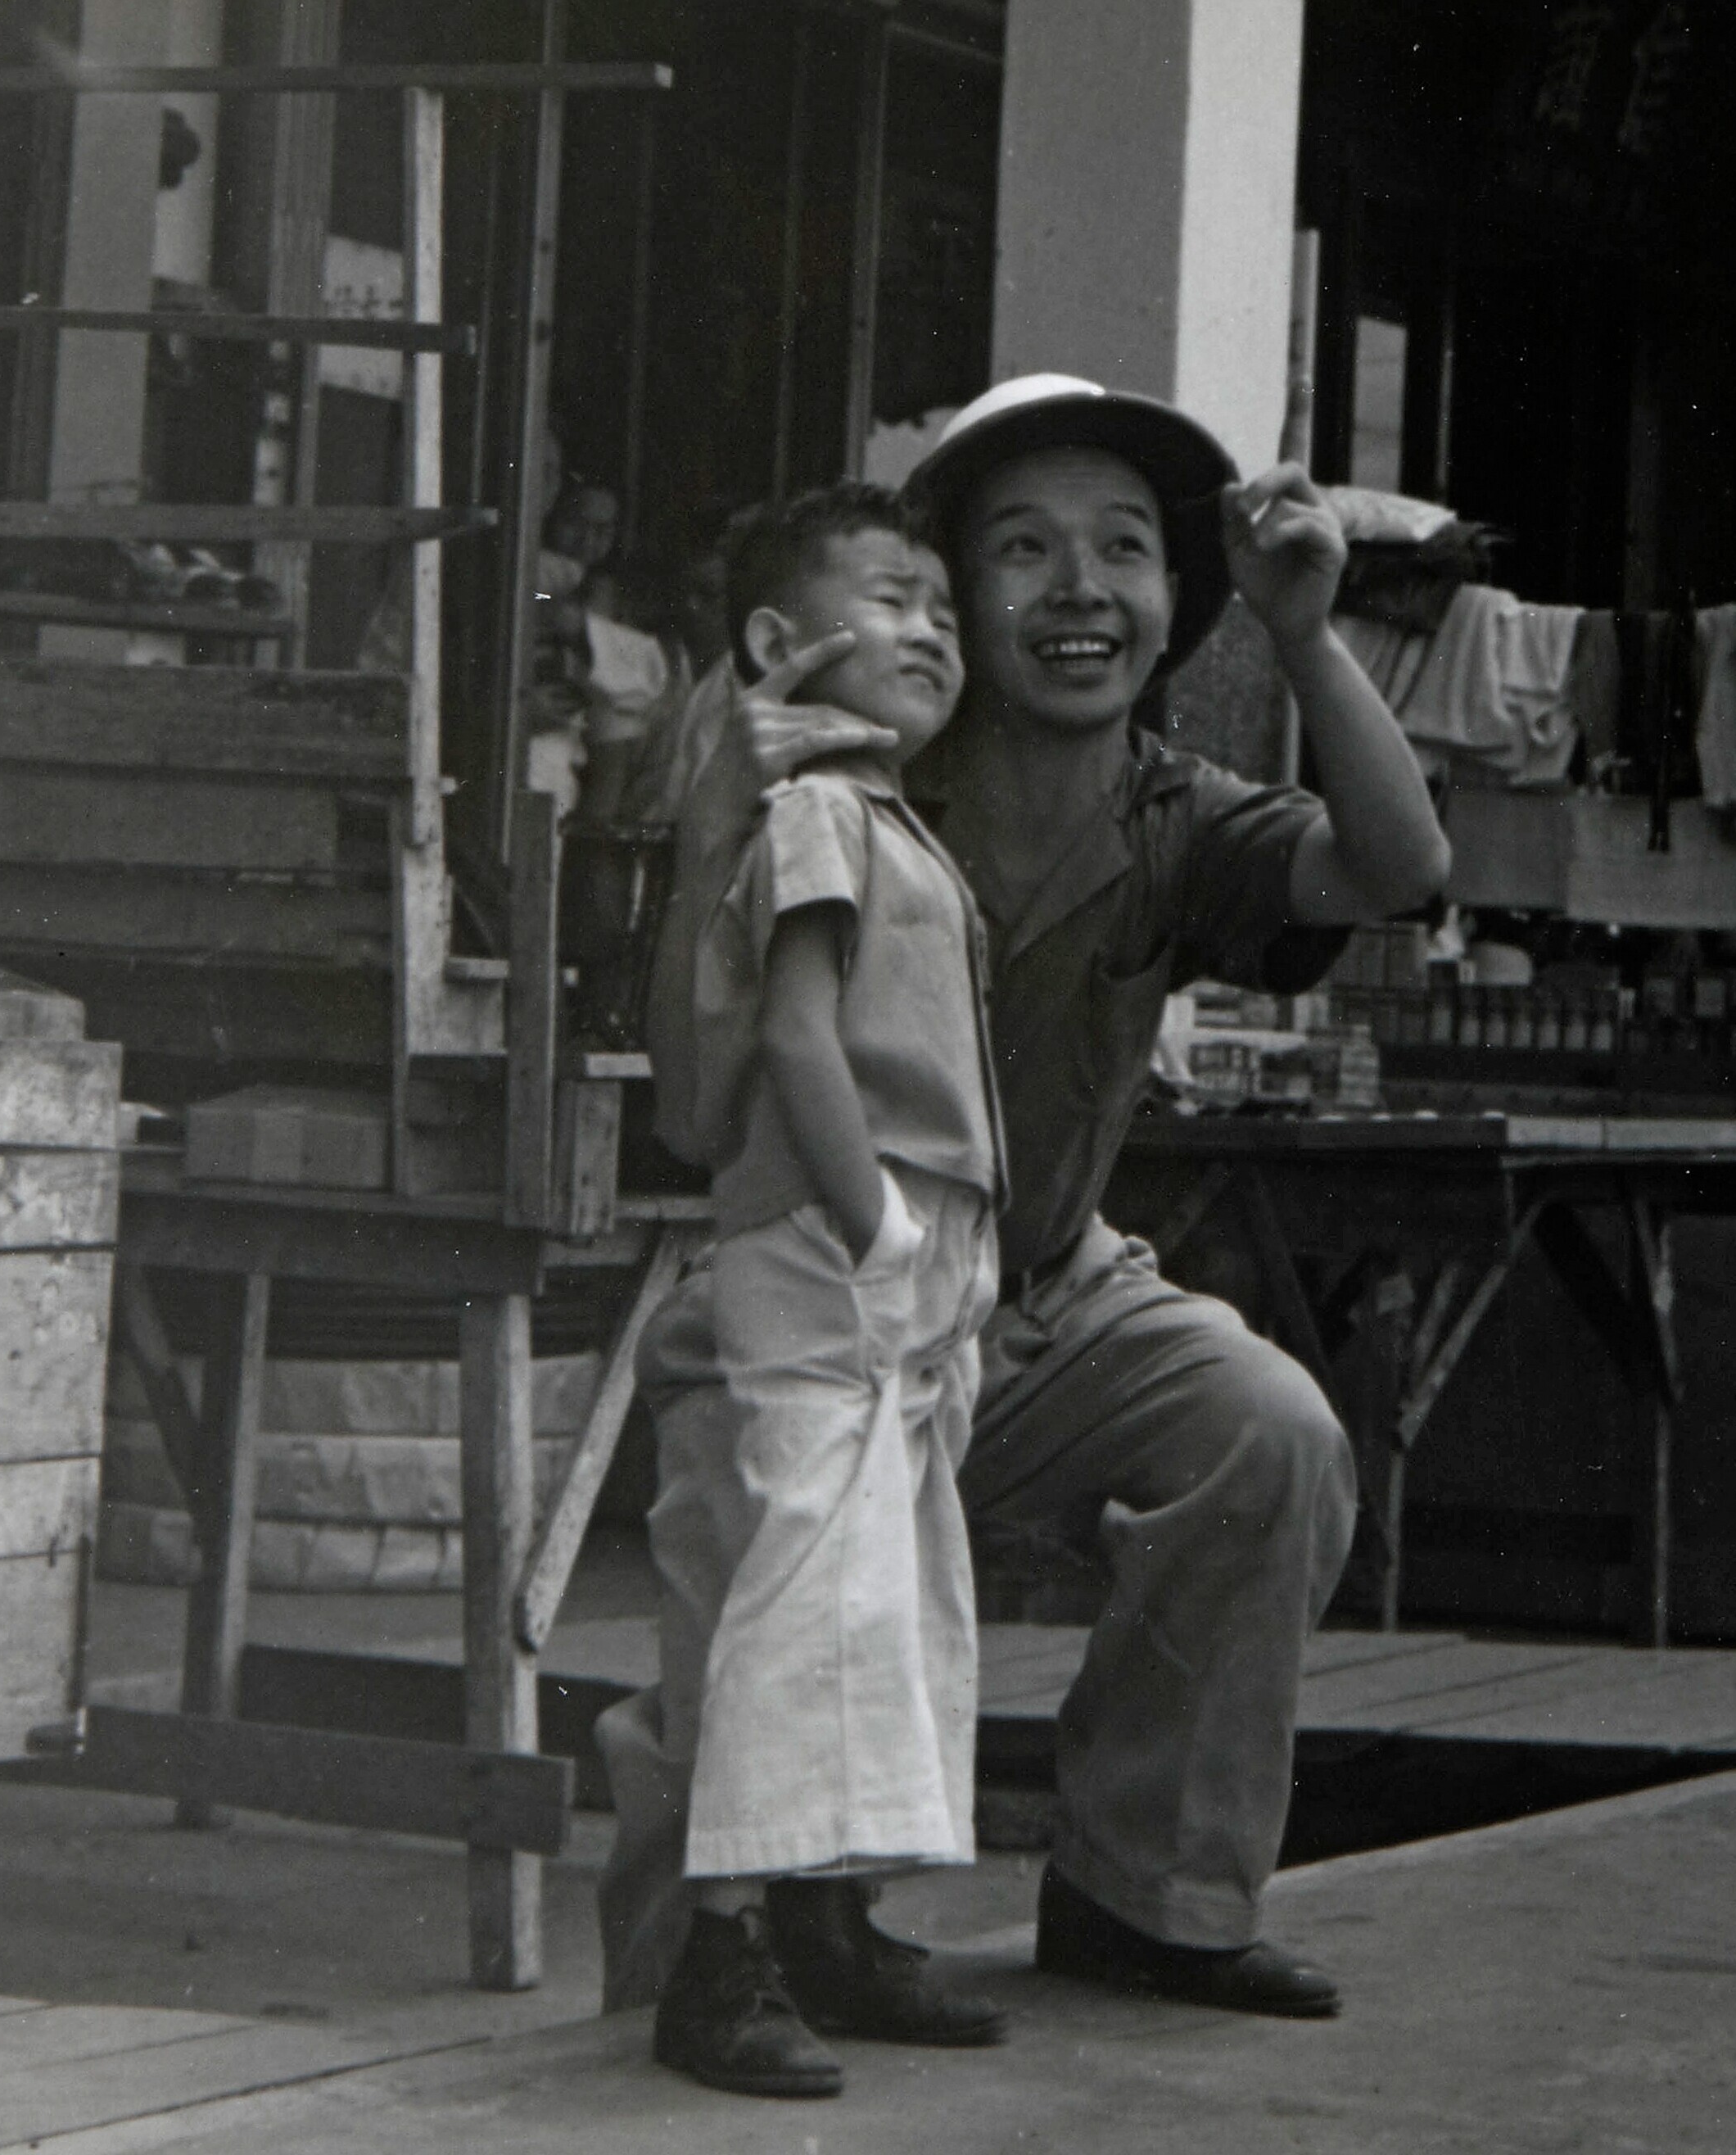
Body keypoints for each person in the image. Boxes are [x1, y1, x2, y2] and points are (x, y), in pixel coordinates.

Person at [604, 373, 1454, 2029]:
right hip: (836, 1302)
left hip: (1049, 1298)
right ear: (942, 594)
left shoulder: (1173, 809)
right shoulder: (848, 782)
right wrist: (712, 819)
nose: (1081, 589)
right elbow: (701, 1104)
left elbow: (1403, 868)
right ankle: (715, 1964)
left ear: (1177, 598)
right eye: (1021, 549)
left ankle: (1152, 1893)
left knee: (1269, 1429)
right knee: (761, 1652)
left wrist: (1302, 633)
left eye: (1125, 547)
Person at [635, 485, 1015, 2100]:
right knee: (803, 1591)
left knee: (888, 1592)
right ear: (779, 643)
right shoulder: (814, 812)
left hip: (908, 1248)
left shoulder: (886, 816)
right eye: (892, 595)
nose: (933, 625)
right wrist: (879, 1231)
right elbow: (798, 1037)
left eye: (944, 604)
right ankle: (720, 1954)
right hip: (842, 1236)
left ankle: (829, 1917)